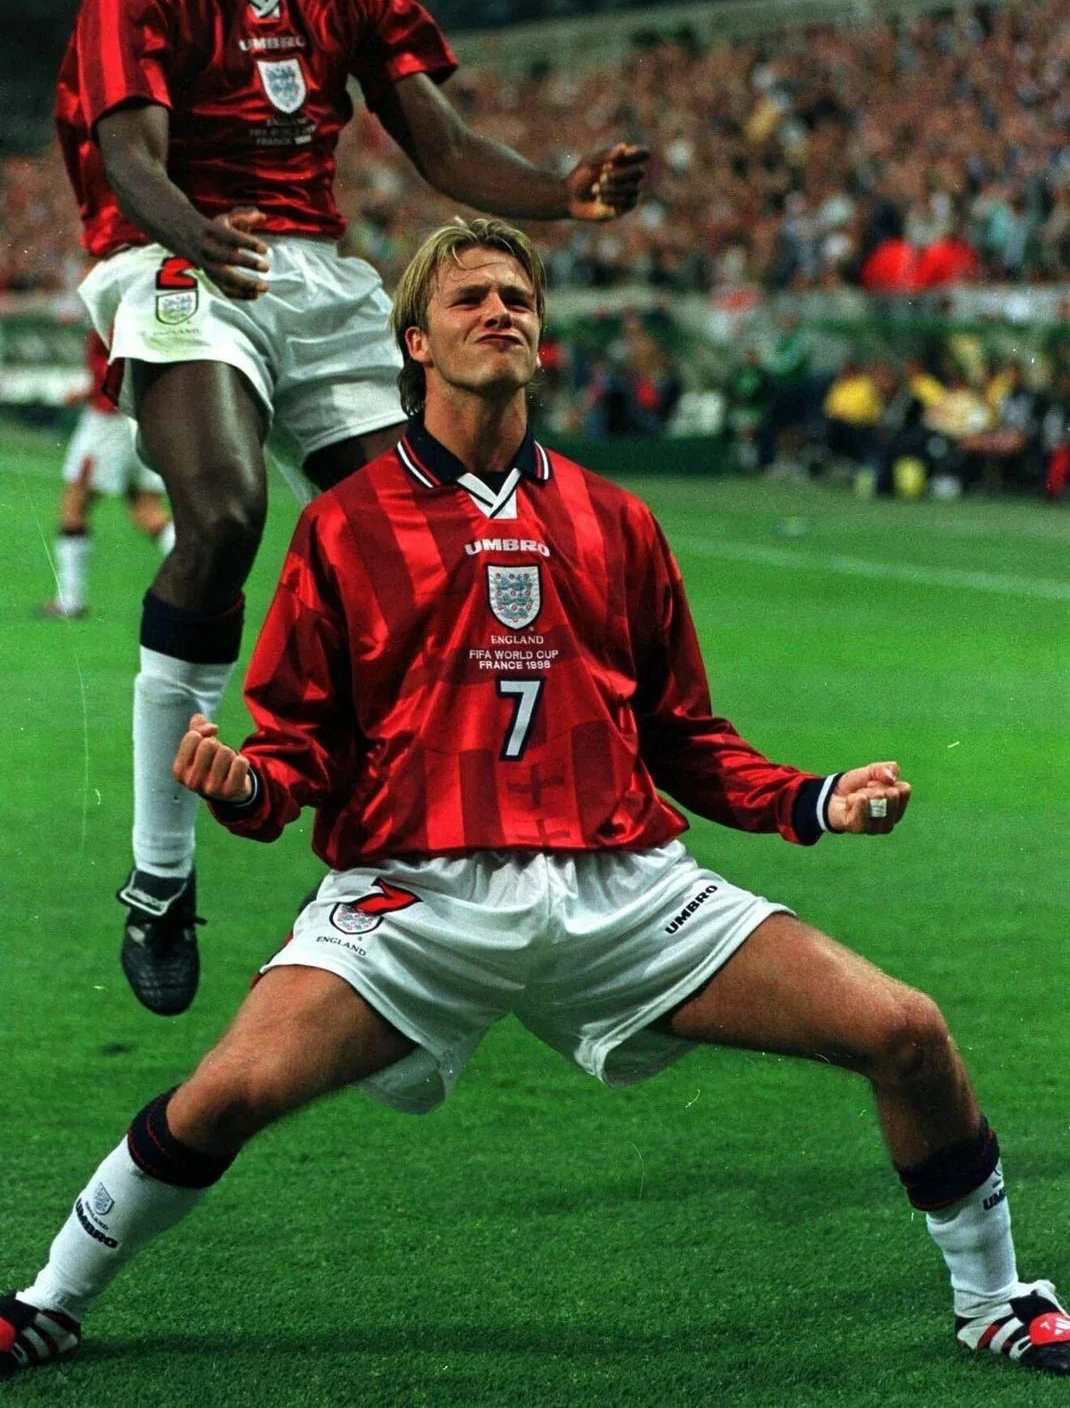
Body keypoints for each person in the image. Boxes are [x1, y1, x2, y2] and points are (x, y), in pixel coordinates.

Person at [4, 218, 1068, 1381]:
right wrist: (247, 782)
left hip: (624, 890)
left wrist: (815, 800)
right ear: (411, 341)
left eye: (518, 297)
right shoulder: (345, 528)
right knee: (225, 1097)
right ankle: (49, 1299)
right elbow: (299, 745)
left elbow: (682, 735)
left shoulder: (615, 522)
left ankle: (996, 1301)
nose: (500, 312)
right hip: (416, 896)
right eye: (469, 300)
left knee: (905, 1033)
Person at [54, 0, 648, 1016]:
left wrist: (562, 194)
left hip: (315, 271)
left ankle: (413, 840)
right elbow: (126, 158)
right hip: (172, 255)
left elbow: (439, 147)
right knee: (219, 517)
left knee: (432, 549)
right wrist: (200, 239)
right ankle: (161, 878)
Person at [36, 331, 174, 620]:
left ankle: (71, 600)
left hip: (108, 422)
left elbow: (116, 369)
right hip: (147, 417)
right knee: (146, 511)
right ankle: (207, 582)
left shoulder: (113, 302)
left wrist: (90, 391)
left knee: (75, 504)